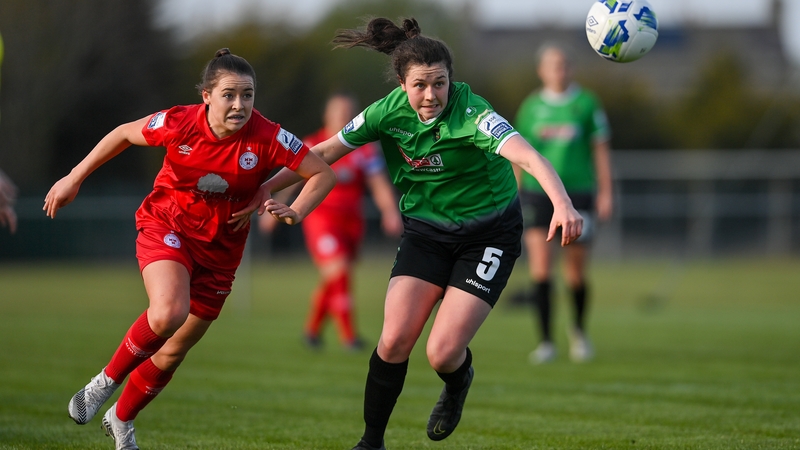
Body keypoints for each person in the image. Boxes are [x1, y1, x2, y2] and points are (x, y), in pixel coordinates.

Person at [262, 18, 583, 450]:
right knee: (394, 339)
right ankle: (371, 443)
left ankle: (458, 380)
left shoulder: (473, 113)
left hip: (488, 235)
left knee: (442, 353)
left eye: (439, 84)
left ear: (452, 81)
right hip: (427, 233)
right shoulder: (386, 112)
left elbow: (529, 157)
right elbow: (322, 151)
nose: (431, 95)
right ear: (402, 84)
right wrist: (265, 189)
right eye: (420, 85)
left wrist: (562, 203)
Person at [43, 48, 335, 450]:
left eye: (247, 95)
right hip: (168, 225)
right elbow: (124, 133)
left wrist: (295, 209)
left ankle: (121, 419)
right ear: (207, 97)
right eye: (229, 95)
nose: (240, 105)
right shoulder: (179, 122)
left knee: (173, 351)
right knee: (169, 312)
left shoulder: (268, 136)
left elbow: (322, 173)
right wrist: (74, 177)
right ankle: (105, 381)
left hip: (222, 251)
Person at [259, 93, 402, 351]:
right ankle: (349, 337)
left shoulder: (365, 149)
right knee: (339, 271)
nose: (343, 117)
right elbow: (292, 179)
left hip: (352, 222)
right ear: (327, 115)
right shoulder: (313, 143)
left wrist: (390, 211)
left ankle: (312, 331)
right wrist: (273, 206)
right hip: (321, 219)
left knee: (334, 277)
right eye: (338, 112)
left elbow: (379, 184)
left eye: (348, 113)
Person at [513, 44, 613, 364]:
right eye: (553, 65)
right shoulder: (531, 107)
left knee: (575, 272)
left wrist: (606, 192)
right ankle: (545, 341)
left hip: (579, 193)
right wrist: (514, 194)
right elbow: (517, 153)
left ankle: (579, 332)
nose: (560, 70)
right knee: (541, 268)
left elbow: (600, 149)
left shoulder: (586, 103)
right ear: (541, 71)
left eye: (565, 64)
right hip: (537, 194)